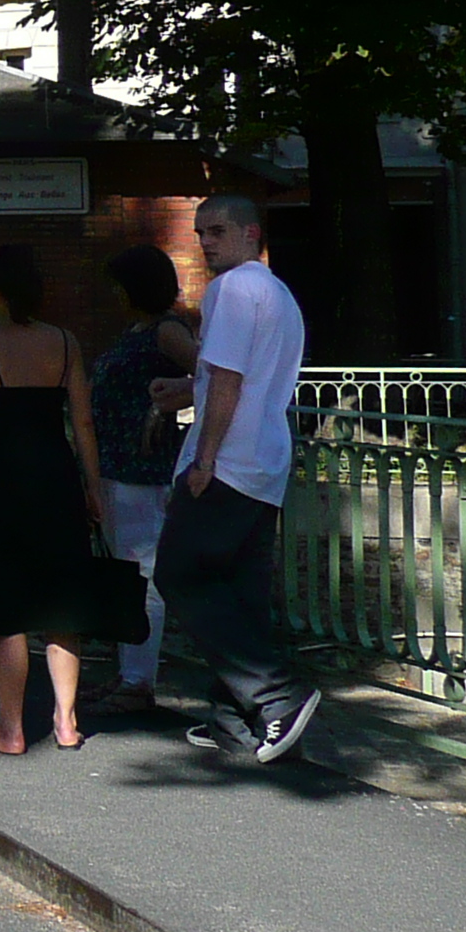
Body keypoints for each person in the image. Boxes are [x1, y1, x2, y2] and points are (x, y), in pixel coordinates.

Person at [158, 193, 320, 762]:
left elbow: (227, 382)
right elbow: (249, 379)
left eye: (218, 231)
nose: (206, 243)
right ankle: (236, 721)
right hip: (266, 457)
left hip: (227, 461)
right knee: (240, 590)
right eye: (201, 232)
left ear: (252, 233)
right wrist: (184, 390)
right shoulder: (278, 293)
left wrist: (203, 460)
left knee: (178, 575)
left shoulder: (230, 291)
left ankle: (277, 697)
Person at [0, 244, 108, 755]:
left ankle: (11, 729)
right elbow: (81, 420)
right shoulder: (64, 341)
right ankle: (66, 721)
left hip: (5, 482)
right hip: (57, 479)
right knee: (62, 599)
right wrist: (94, 486)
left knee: (8, 604)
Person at [86, 245, 197, 714]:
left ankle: (138, 679)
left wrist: (164, 403)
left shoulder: (167, 331)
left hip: (143, 469)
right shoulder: (139, 330)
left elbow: (210, 376)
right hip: (117, 464)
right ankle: (128, 671)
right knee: (124, 572)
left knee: (141, 573)